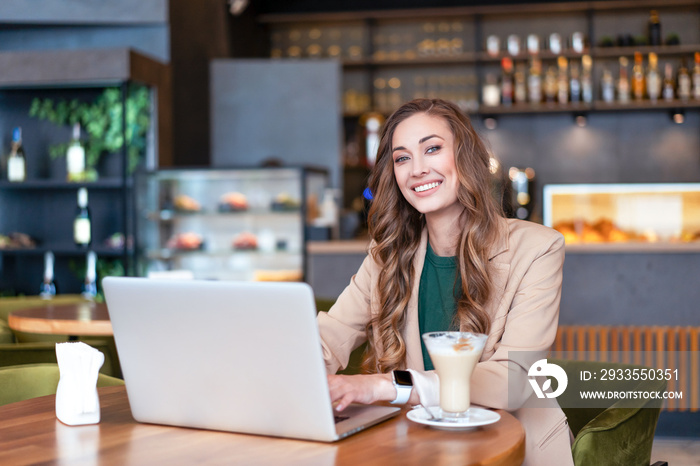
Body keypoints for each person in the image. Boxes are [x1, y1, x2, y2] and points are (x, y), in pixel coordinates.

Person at [318, 98, 573, 466]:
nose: (417, 169)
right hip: (420, 447)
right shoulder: (387, 252)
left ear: (465, 157)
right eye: (402, 158)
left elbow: (516, 378)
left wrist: (384, 386)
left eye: (432, 149)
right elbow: (330, 334)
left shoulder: (537, 248)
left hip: (515, 450)